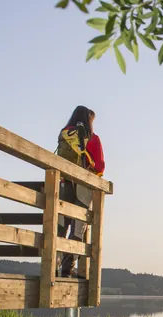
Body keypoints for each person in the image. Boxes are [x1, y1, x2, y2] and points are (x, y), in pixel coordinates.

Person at [55, 105, 105, 277]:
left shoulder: (64, 133)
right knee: (78, 228)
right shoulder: (92, 138)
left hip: (63, 182)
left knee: (61, 226)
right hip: (83, 185)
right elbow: (99, 166)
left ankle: (52, 266)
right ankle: (67, 269)